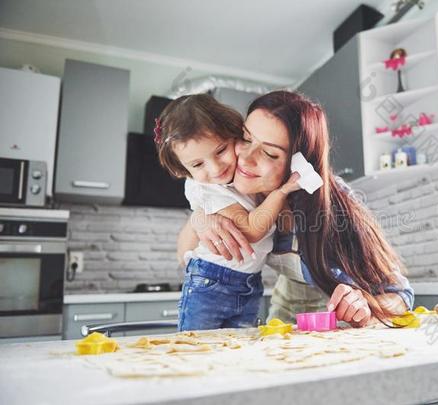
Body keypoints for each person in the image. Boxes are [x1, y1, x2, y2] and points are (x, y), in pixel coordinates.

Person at [177, 90, 414, 327]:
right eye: (246, 138)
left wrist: (364, 303)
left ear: (297, 166)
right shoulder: (231, 188)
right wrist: (202, 216)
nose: (246, 158)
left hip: (336, 328)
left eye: (269, 153)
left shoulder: (332, 205)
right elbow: (184, 258)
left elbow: (401, 294)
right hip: (284, 324)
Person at [154, 94, 300, 330]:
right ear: (183, 170)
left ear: (236, 135)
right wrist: (281, 193)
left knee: (237, 355)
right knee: (198, 351)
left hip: (248, 282)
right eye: (197, 165)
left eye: (221, 150)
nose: (215, 168)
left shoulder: (243, 178)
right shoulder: (207, 189)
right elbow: (251, 230)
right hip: (212, 280)